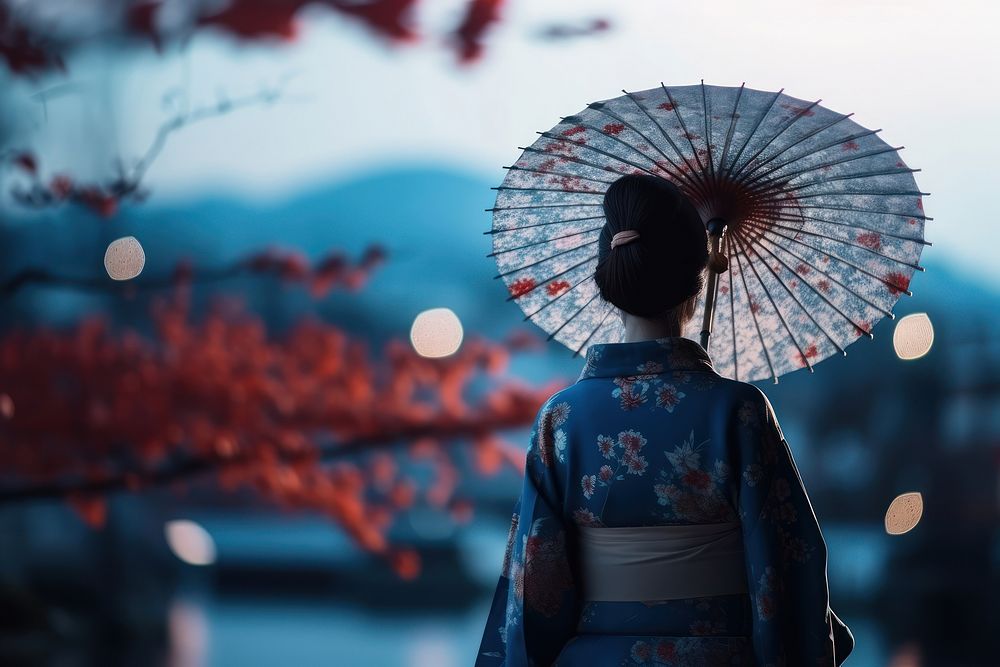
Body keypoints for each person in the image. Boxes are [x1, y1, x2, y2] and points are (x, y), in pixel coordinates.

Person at [475, 174, 854, 666]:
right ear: (697, 280)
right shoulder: (737, 410)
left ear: (610, 276)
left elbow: (535, 584)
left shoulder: (562, 419)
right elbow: (784, 564)